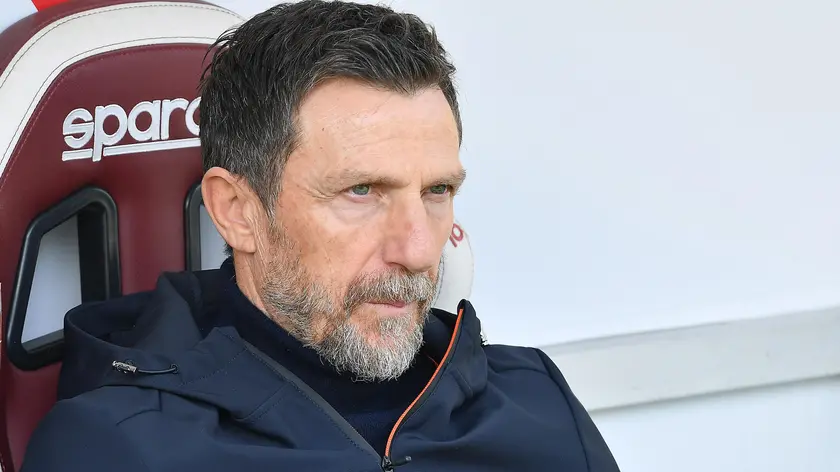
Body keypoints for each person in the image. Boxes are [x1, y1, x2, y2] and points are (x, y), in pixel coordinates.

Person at [21, 1, 620, 471]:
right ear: (237, 211)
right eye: (362, 191)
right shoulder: (120, 450)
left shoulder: (539, 404)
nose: (418, 251)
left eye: (437, 190)